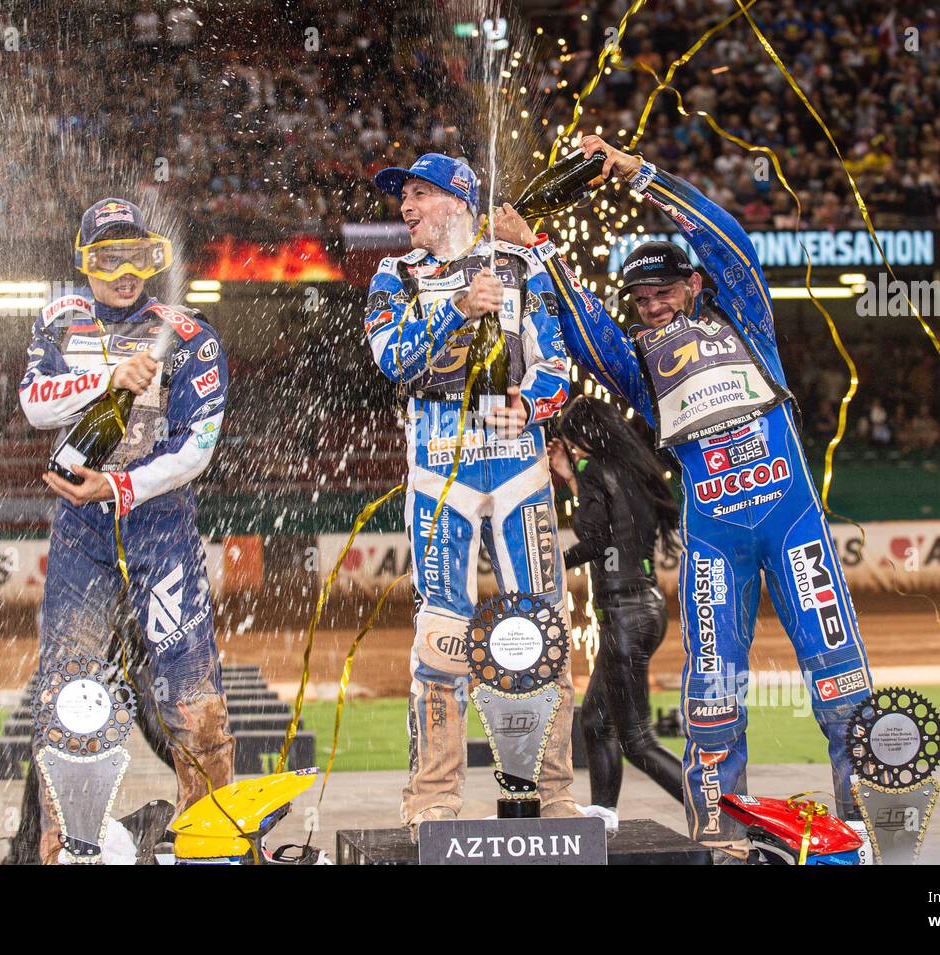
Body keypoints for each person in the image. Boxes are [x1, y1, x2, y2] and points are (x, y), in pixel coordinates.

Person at [494, 136, 874, 861]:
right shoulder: (640, 366)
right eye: (640, 299)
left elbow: (729, 243)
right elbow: (588, 339)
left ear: (695, 286)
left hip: (794, 526)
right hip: (715, 544)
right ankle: (720, 840)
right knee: (711, 704)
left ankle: (858, 828)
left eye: (664, 290)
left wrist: (643, 176)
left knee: (841, 684)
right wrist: (538, 246)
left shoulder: (747, 322)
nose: (652, 306)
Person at [366, 153, 576, 832]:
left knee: (543, 632)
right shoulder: (394, 275)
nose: (407, 206)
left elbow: (558, 363)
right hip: (438, 471)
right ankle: (434, 799)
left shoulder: (518, 264)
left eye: (420, 194)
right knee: (440, 637)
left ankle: (549, 794)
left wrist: (532, 404)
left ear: (458, 200)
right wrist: (458, 308)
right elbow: (393, 360)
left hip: (518, 467)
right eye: (404, 196)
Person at [19, 197, 233, 864]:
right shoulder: (59, 320)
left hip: (161, 529)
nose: (123, 269)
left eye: (135, 254)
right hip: (81, 529)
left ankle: (212, 839)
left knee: (194, 697)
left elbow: (198, 449)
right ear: (85, 261)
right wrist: (106, 377)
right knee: (69, 688)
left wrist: (122, 484)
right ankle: (62, 843)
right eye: (107, 256)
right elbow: (33, 403)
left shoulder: (190, 333)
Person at [551, 395, 686, 821]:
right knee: (595, 720)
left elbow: (594, 541)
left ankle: (716, 813)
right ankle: (604, 816)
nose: (569, 448)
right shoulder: (630, 471)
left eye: (570, 440)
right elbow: (610, 527)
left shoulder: (594, 471)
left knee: (638, 740)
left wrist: (549, 565)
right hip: (646, 609)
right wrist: (572, 478)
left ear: (581, 437)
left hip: (624, 615)